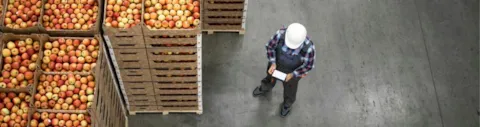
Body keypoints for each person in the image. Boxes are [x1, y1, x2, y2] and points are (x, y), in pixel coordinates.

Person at [252, 23, 316, 117]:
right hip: (276, 65)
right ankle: (265, 87)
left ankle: (287, 104)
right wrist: (273, 63)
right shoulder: (280, 34)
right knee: (270, 78)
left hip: (292, 72)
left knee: (290, 89)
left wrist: (294, 74)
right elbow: (270, 47)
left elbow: (308, 65)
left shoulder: (309, 48)